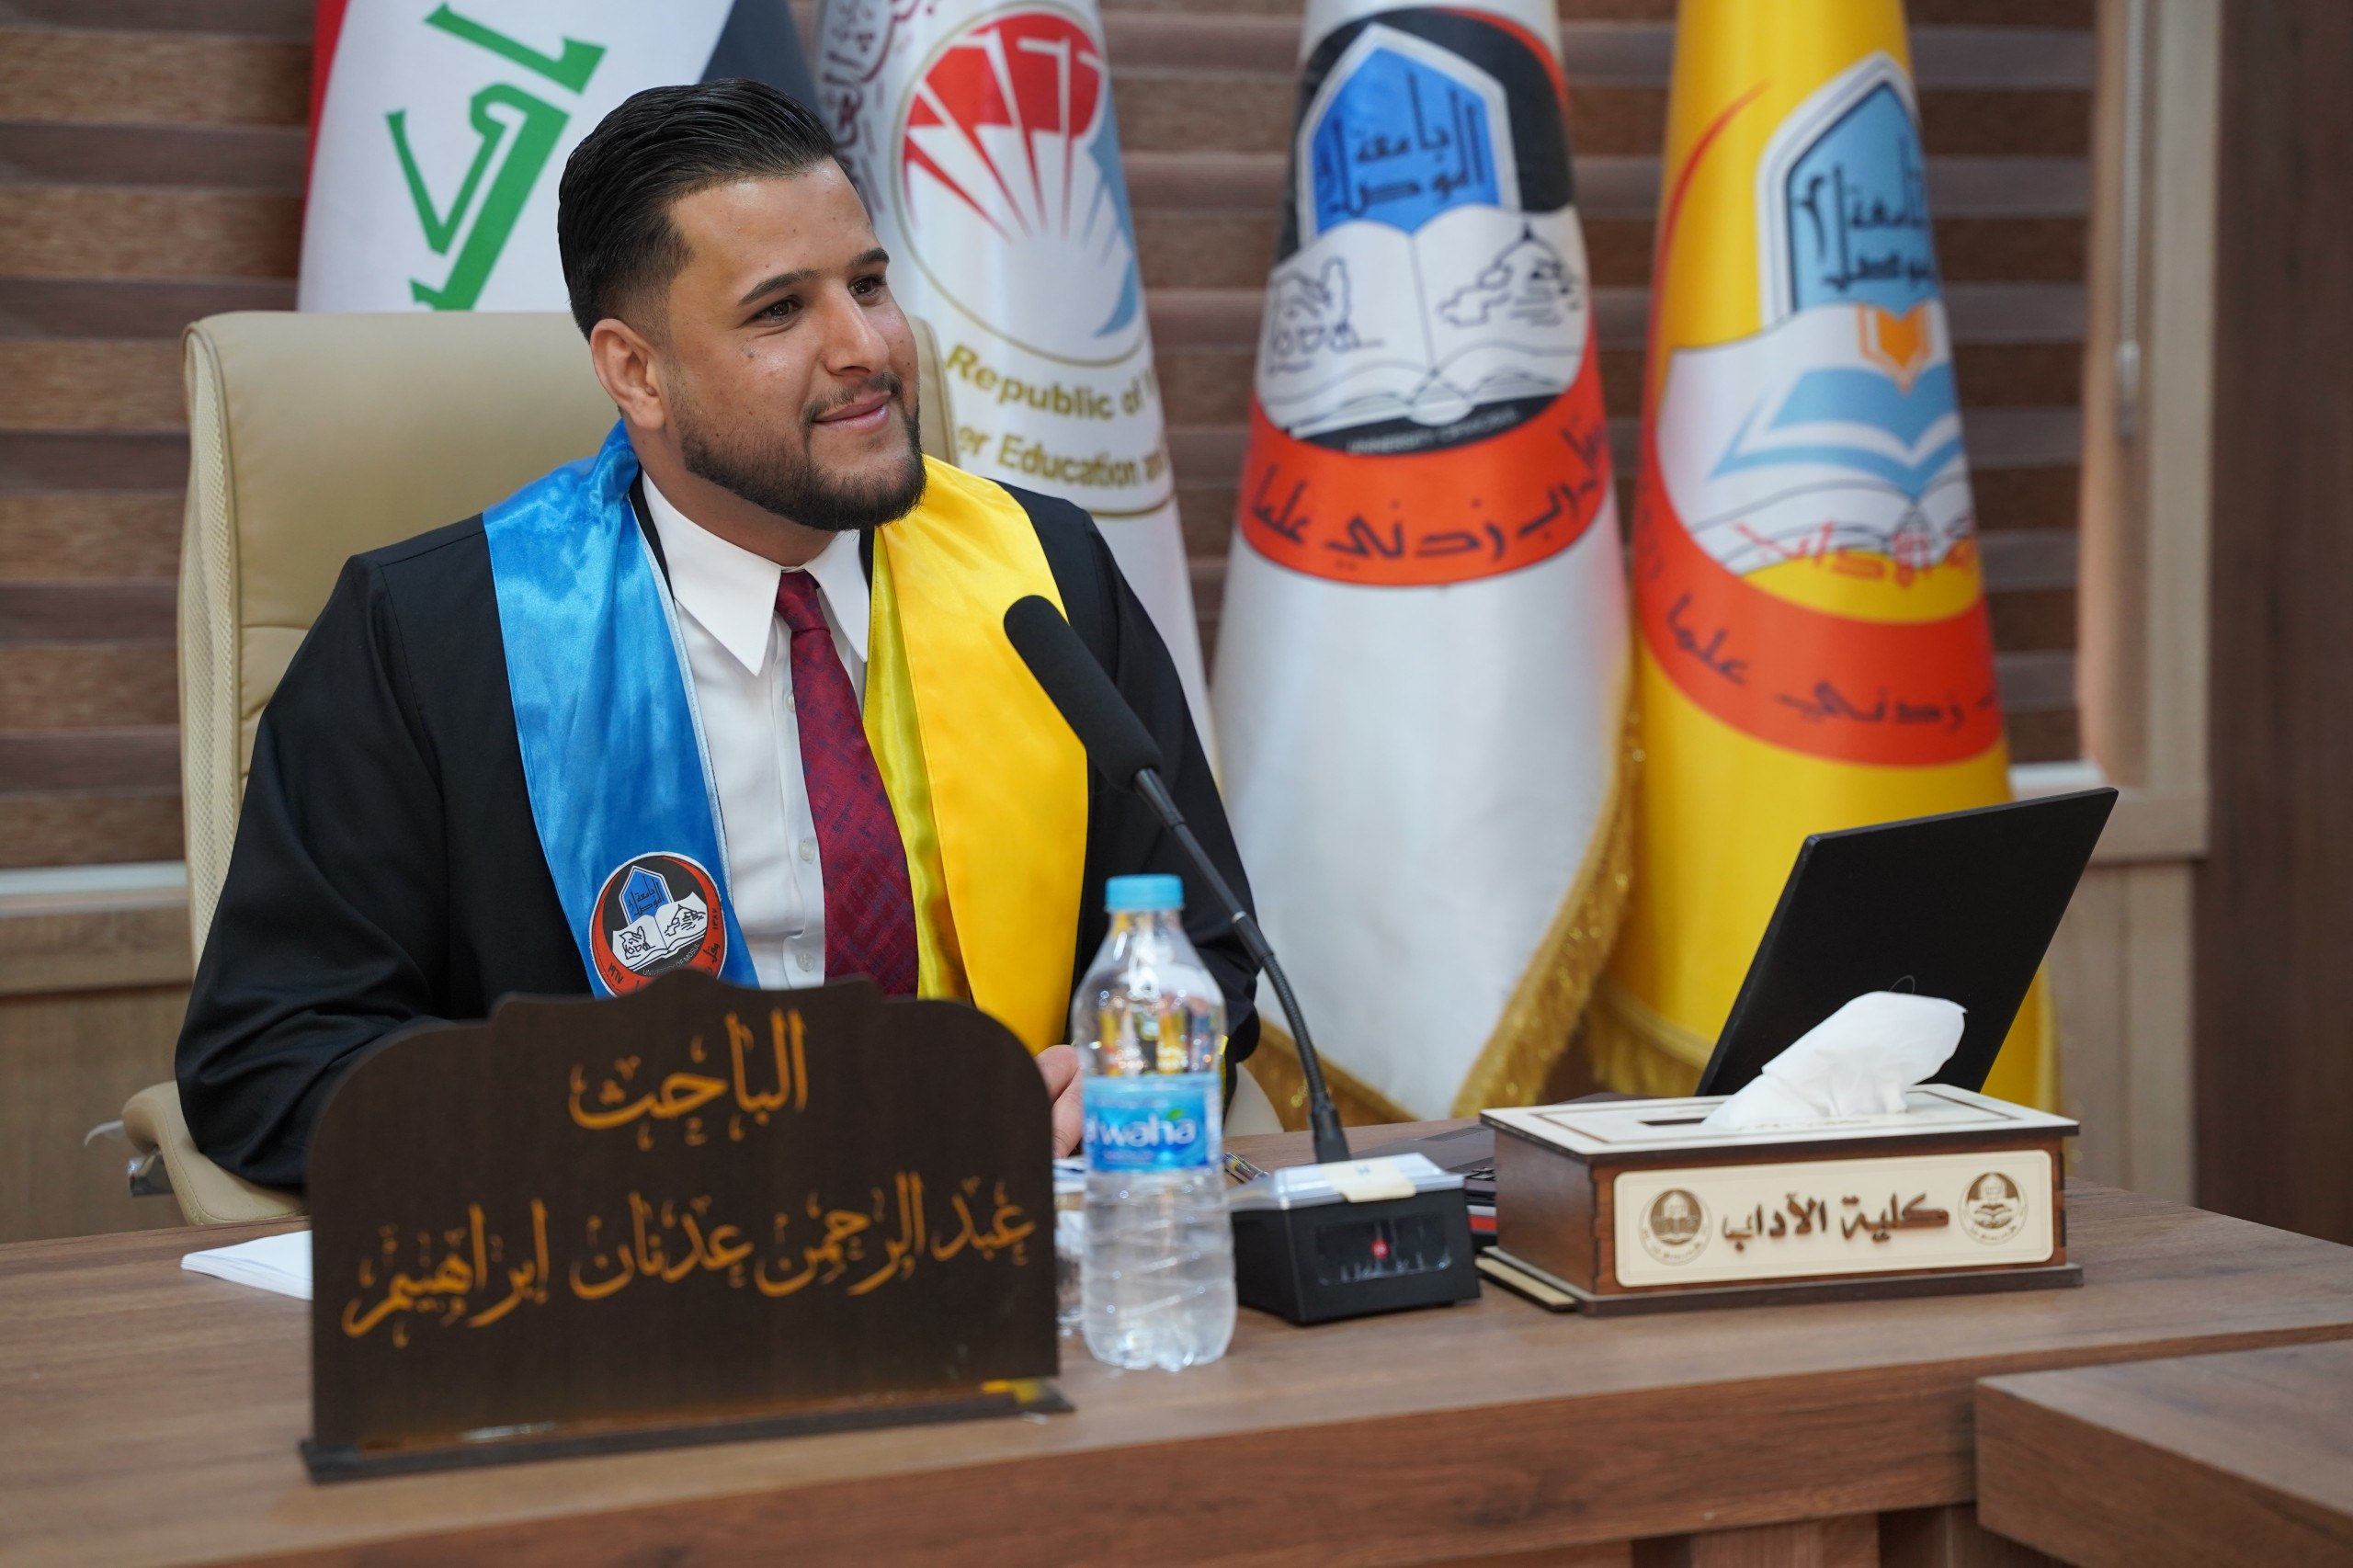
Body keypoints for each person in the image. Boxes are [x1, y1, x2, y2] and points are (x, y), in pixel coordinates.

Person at [176, 81, 1256, 1188]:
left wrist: (1121, 1073)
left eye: (868, 284)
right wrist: (639, 1129)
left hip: (1014, 1230)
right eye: (779, 310)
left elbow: (1202, 945)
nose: (867, 347)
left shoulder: (1041, 576)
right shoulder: (435, 637)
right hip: (632, 1262)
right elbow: (272, 1053)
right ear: (636, 371)